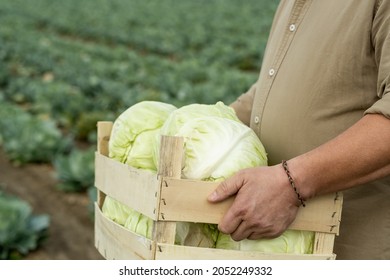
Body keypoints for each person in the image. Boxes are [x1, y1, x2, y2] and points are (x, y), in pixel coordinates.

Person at [208, 0, 390, 260]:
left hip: (357, 251)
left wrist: (291, 183)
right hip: (292, 252)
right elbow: (272, 86)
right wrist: (201, 125)